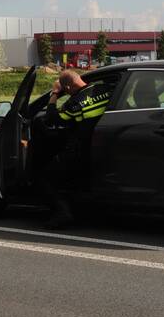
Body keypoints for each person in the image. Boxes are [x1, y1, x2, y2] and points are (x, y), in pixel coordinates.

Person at [40, 70, 115, 228]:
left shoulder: (74, 103)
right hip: (107, 143)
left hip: (82, 149)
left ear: (67, 87)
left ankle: (63, 213)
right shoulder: (106, 89)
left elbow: (51, 118)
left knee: (47, 177)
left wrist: (54, 94)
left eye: (65, 90)